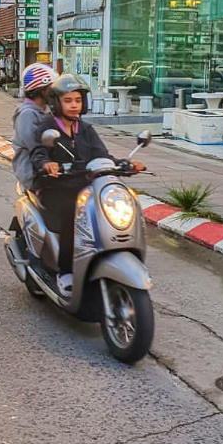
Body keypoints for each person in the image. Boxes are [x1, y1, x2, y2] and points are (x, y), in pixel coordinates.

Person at [31, 74, 145, 296]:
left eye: (78, 100)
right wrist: (47, 164)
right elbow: (37, 153)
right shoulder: (47, 128)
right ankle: (65, 272)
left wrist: (126, 164)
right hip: (55, 188)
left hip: (84, 187)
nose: (74, 105)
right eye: (68, 100)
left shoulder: (85, 129)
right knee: (71, 216)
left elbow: (102, 155)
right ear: (56, 103)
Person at [12, 63, 58, 190]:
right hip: (35, 173)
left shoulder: (44, 111)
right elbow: (36, 147)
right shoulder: (27, 114)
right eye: (52, 88)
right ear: (42, 90)